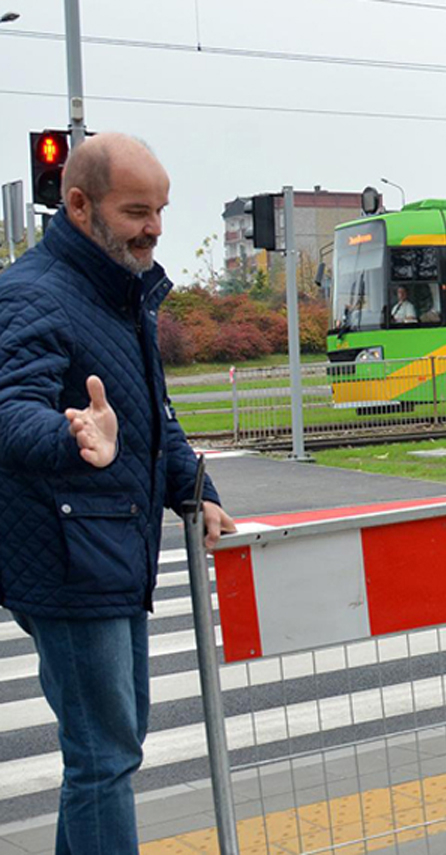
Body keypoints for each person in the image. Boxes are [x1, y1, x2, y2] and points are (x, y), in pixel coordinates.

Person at [0, 133, 237, 852]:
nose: (156, 228)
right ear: (78, 205)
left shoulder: (117, 290)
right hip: (70, 557)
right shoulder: (37, 293)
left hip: (105, 546)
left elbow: (152, 414)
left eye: (161, 209)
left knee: (110, 750)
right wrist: (75, 437)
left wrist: (198, 490)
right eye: (137, 210)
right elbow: (11, 409)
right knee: (104, 757)